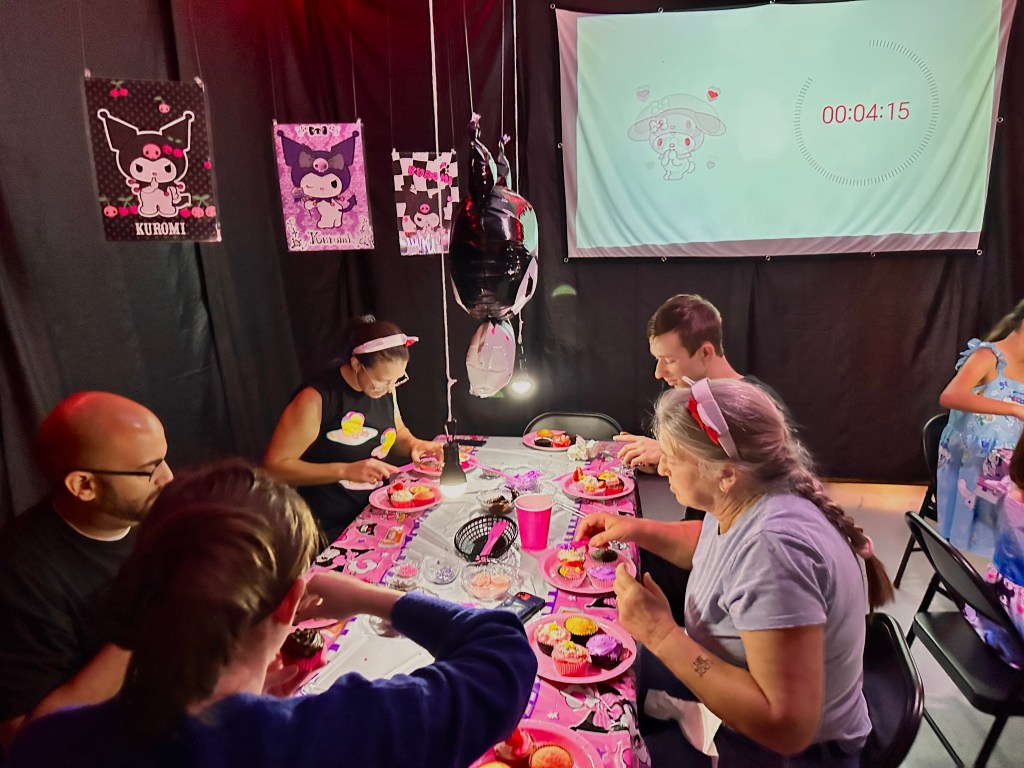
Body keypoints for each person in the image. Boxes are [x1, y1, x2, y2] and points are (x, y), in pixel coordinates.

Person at [8, 461, 538, 767]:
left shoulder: (48, 744)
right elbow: (502, 654)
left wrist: (250, 694)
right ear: (291, 603)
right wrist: (372, 597)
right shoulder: (333, 735)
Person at [580, 379, 892, 767]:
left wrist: (660, 632)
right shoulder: (754, 493)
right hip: (752, 704)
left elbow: (787, 727)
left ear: (725, 474)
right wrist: (636, 530)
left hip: (789, 753)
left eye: (673, 457)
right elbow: (715, 545)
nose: (661, 466)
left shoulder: (774, 549)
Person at [0, 392, 173, 747]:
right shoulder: (21, 575)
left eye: (165, 459)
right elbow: (26, 739)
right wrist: (144, 626)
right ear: (83, 485)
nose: (168, 478)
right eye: (149, 470)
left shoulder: (152, 512)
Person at [264, 316, 442, 540]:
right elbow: (273, 468)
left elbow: (397, 433)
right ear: (357, 364)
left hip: (375, 513)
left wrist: (415, 445)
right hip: (329, 526)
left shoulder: (383, 388)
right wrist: (345, 470)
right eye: (382, 382)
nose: (388, 390)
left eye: (396, 381)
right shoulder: (316, 399)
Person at [614, 294, 780, 470]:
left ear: (705, 353)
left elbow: (762, 478)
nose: (658, 373)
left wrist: (668, 454)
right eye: (658, 360)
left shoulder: (758, 405)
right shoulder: (693, 397)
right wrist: (660, 462)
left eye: (669, 360)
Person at [937, 298, 1024, 556]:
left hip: (1009, 465)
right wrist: (1013, 408)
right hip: (972, 464)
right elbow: (949, 396)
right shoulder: (988, 356)